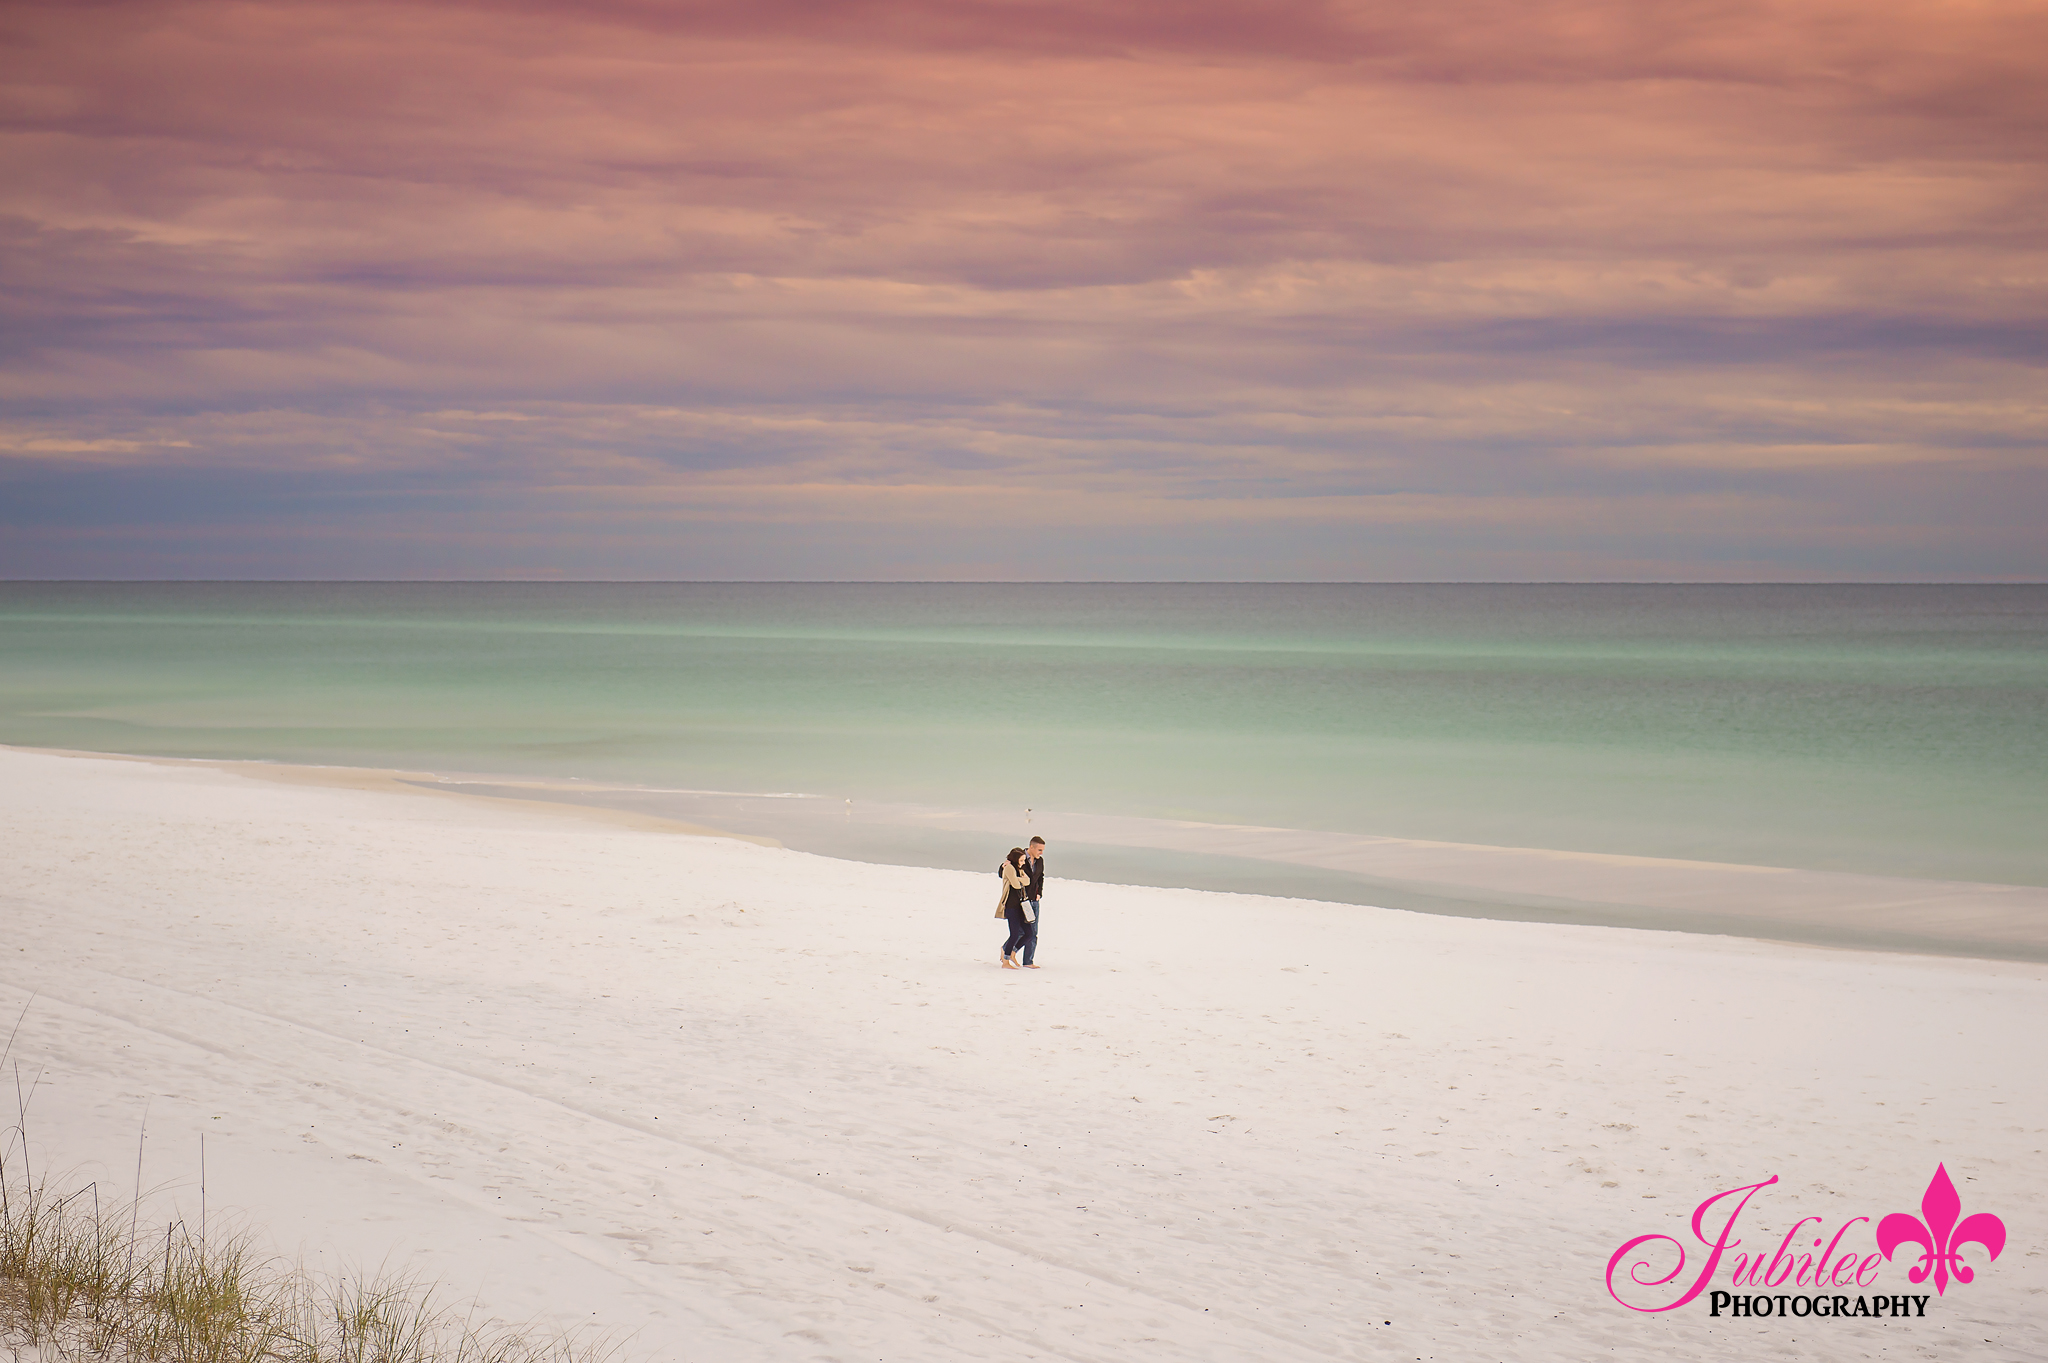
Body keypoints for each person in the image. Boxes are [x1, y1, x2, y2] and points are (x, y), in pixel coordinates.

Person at [997, 846, 1035, 969]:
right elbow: (1016, 885)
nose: (1023, 863)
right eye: (1022, 860)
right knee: (1014, 934)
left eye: (1024, 860)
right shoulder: (1009, 868)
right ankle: (1006, 961)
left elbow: (1028, 881)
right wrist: (1021, 880)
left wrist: (1021, 879)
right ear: (1015, 859)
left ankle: (1013, 952)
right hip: (1011, 905)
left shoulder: (1018, 869)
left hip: (1022, 905)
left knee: (1029, 933)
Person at [1020, 836, 1046, 968]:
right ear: (1031, 847)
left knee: (1033, 932)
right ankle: (1007, 952)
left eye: (1042, 850)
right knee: (1020, 932)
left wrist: (1039, 893)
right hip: (1021, 900)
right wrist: (1004, 865)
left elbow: (1041, 877)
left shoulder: (1040, 861)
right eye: (1039, 850)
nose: (1041, 853)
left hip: (1034, 900)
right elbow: (1003, 873)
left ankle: (1028, 961)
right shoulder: (1019, 857)